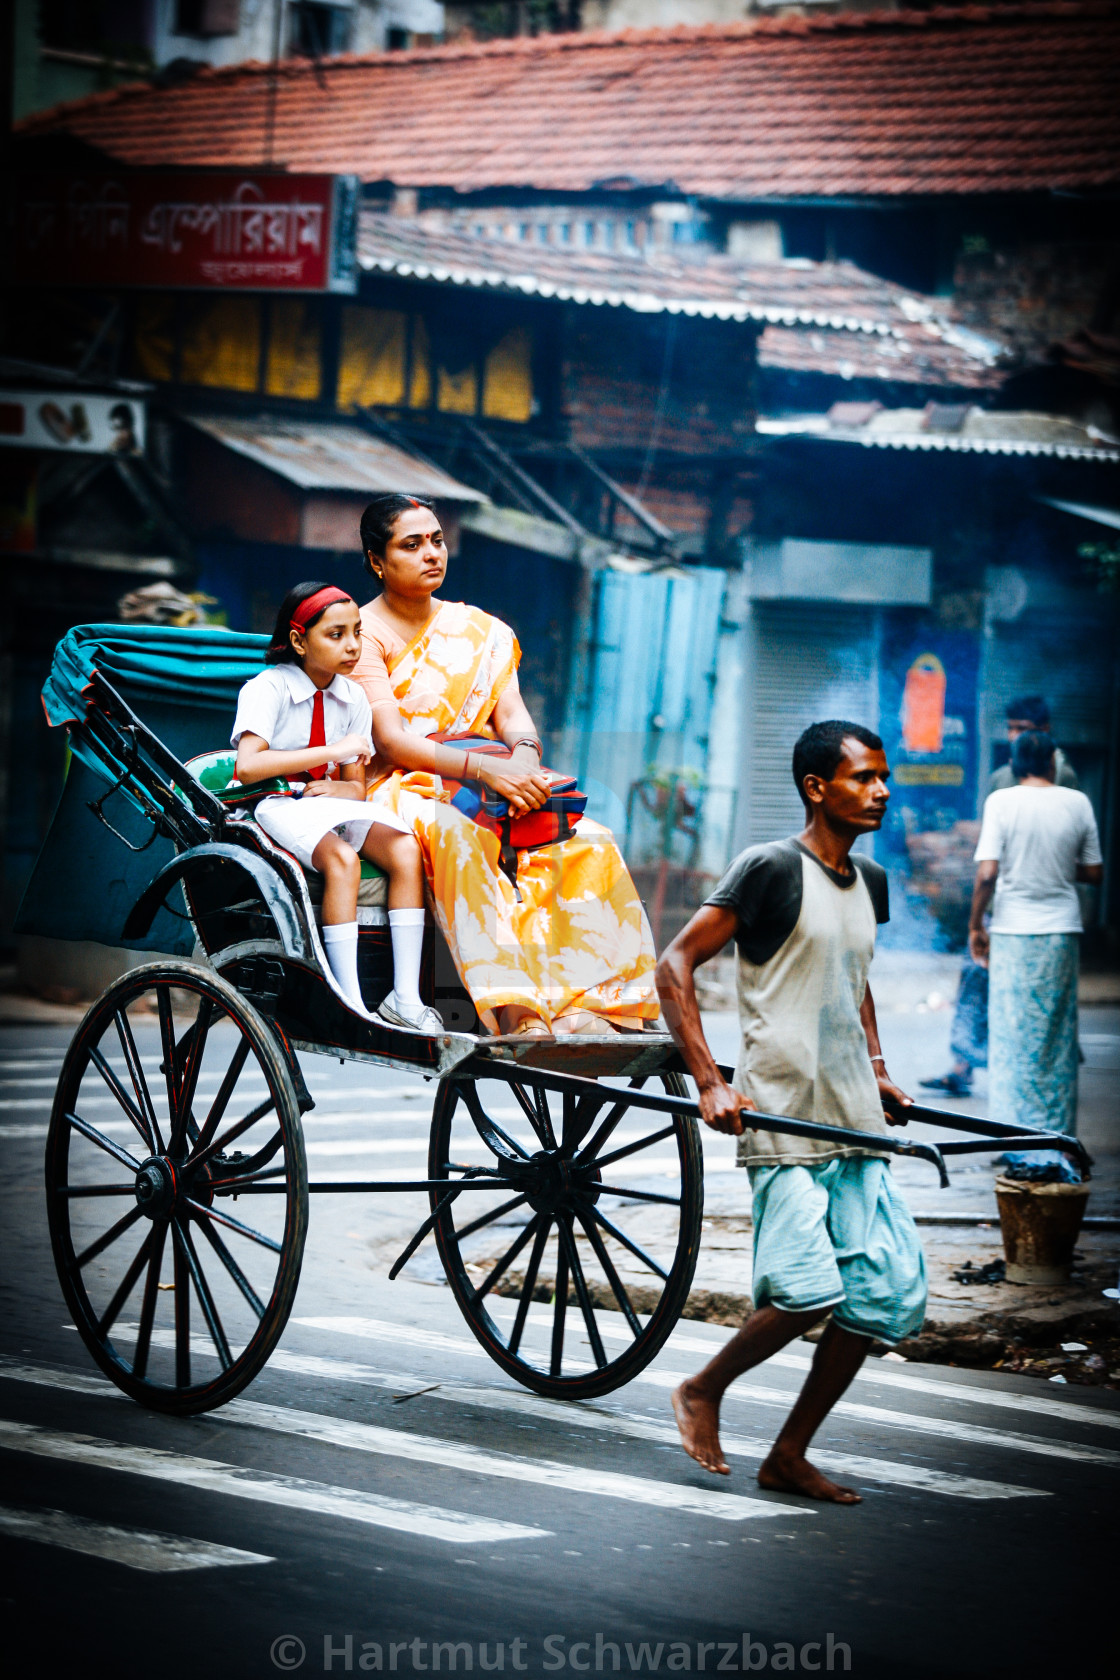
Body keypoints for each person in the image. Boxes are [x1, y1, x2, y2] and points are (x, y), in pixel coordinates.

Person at [656, 720, 926, 1503]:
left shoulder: (869, 880)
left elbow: (856, 977)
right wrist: (710, 1081)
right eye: (863, 778)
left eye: (882, 778)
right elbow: (675, 965)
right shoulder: (770, 867)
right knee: (807, 1291)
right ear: (817, 787)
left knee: (878, 1296)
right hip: (781, 1113)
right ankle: (703, 1389)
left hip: (851, 1115)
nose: (879, 792)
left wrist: (877, 1069)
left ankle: (788, 1454)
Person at [350, 492, 657, 1037]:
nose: (431, 554)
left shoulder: (483, 632)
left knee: (588, 838)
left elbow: (512, 714)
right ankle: (516, 1010)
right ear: (377, 561)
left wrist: (523, 762)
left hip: (484, 776)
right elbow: (392, 742)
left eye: (437, 541)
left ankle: (599, 1004)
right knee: (460, 838)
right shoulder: (363, 635)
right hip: (403, 788)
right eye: (412, 545)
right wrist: (487, 772)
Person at [232, 581, 443, 1033]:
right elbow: (249, 766)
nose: (352, 646)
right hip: (277, 802)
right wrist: (333, 750)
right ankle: (346, 997)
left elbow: (355, 787)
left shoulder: (352, 698)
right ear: (297, 640)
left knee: (407, 849)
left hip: (327, 805)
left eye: (357, 632)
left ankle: (404, 998)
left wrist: (341, 788)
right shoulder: (266, 689)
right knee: (342, 860)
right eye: (335, 635)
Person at [922, 693, 1079, 1097]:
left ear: (1043, 732)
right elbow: (989, 850)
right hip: (1000, 902)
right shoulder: (1000, 777)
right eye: (1009, 728)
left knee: (1035, 988)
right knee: (975, 977)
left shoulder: (1064, 777)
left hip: (1036, 907)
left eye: (1021, 730)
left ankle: (1045, 1061)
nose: (1012, 737)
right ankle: (962, 1065)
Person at [969, 729, 1102, 1138]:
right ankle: (1057, 1136)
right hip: (1061, 931)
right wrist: (1059, 868)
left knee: (1012, 1035)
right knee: (1056, 1036)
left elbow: (988, 872)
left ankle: (1013, 1134)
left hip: (1012, 930)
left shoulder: (1001, 801)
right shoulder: (1077, 801)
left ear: (1014, 765)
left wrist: (975, 924)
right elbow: (1094, 873)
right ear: (1051, 763)